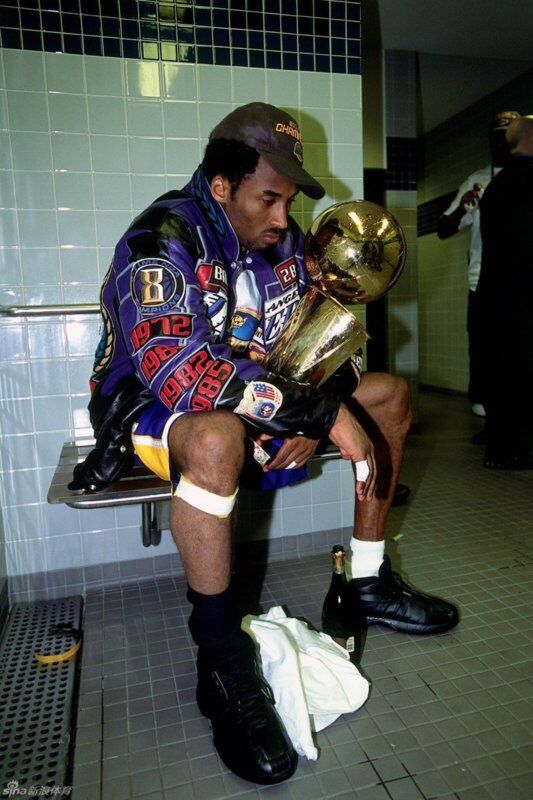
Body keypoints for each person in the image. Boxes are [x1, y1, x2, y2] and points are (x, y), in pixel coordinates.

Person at [71, 103, 458, 785]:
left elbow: (321, 352)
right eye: (268, 199)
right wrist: (313, 413)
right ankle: (222, 664)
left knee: (391, 397)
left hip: (265, 395)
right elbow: (181, 374)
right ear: (221, 185)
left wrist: (312, 411)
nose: (283, 218)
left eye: (288, 201)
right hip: (148, 407)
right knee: (218, 437)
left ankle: (367, 580)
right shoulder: (160, 239)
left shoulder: (282, 243)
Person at [437, 110, 520, 423]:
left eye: (507, 138)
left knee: (517, 348)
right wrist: (463, 207)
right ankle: (485, 411)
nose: (501, 144)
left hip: (522, 283)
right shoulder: (478, 180)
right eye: (496, 139)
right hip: (482, 282)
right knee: (484, 348)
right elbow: (443, 228)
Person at [478, 115, 533, 469]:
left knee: (500, 374)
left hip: (494, 295)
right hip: (525, 296)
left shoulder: (495, 187)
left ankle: (499, 450)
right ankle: (523, 450)